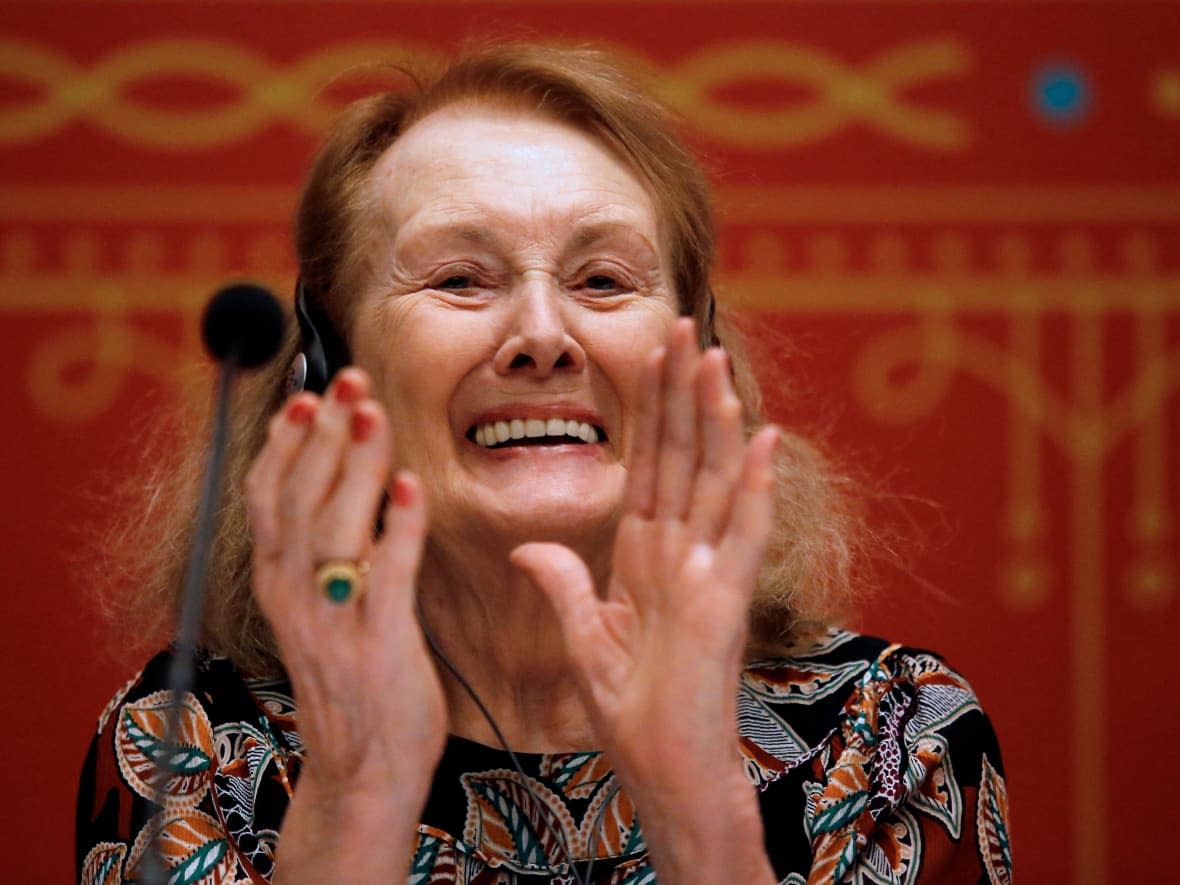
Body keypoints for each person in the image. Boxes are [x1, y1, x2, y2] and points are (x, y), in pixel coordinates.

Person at [77, 44, 1011, 884]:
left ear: (699, 363)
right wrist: (355, 798)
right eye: (460, 279)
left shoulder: (891, 736)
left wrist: (700, 819)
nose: (540, 335)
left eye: (602, 280)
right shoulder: (190, 742)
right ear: (332, 365)